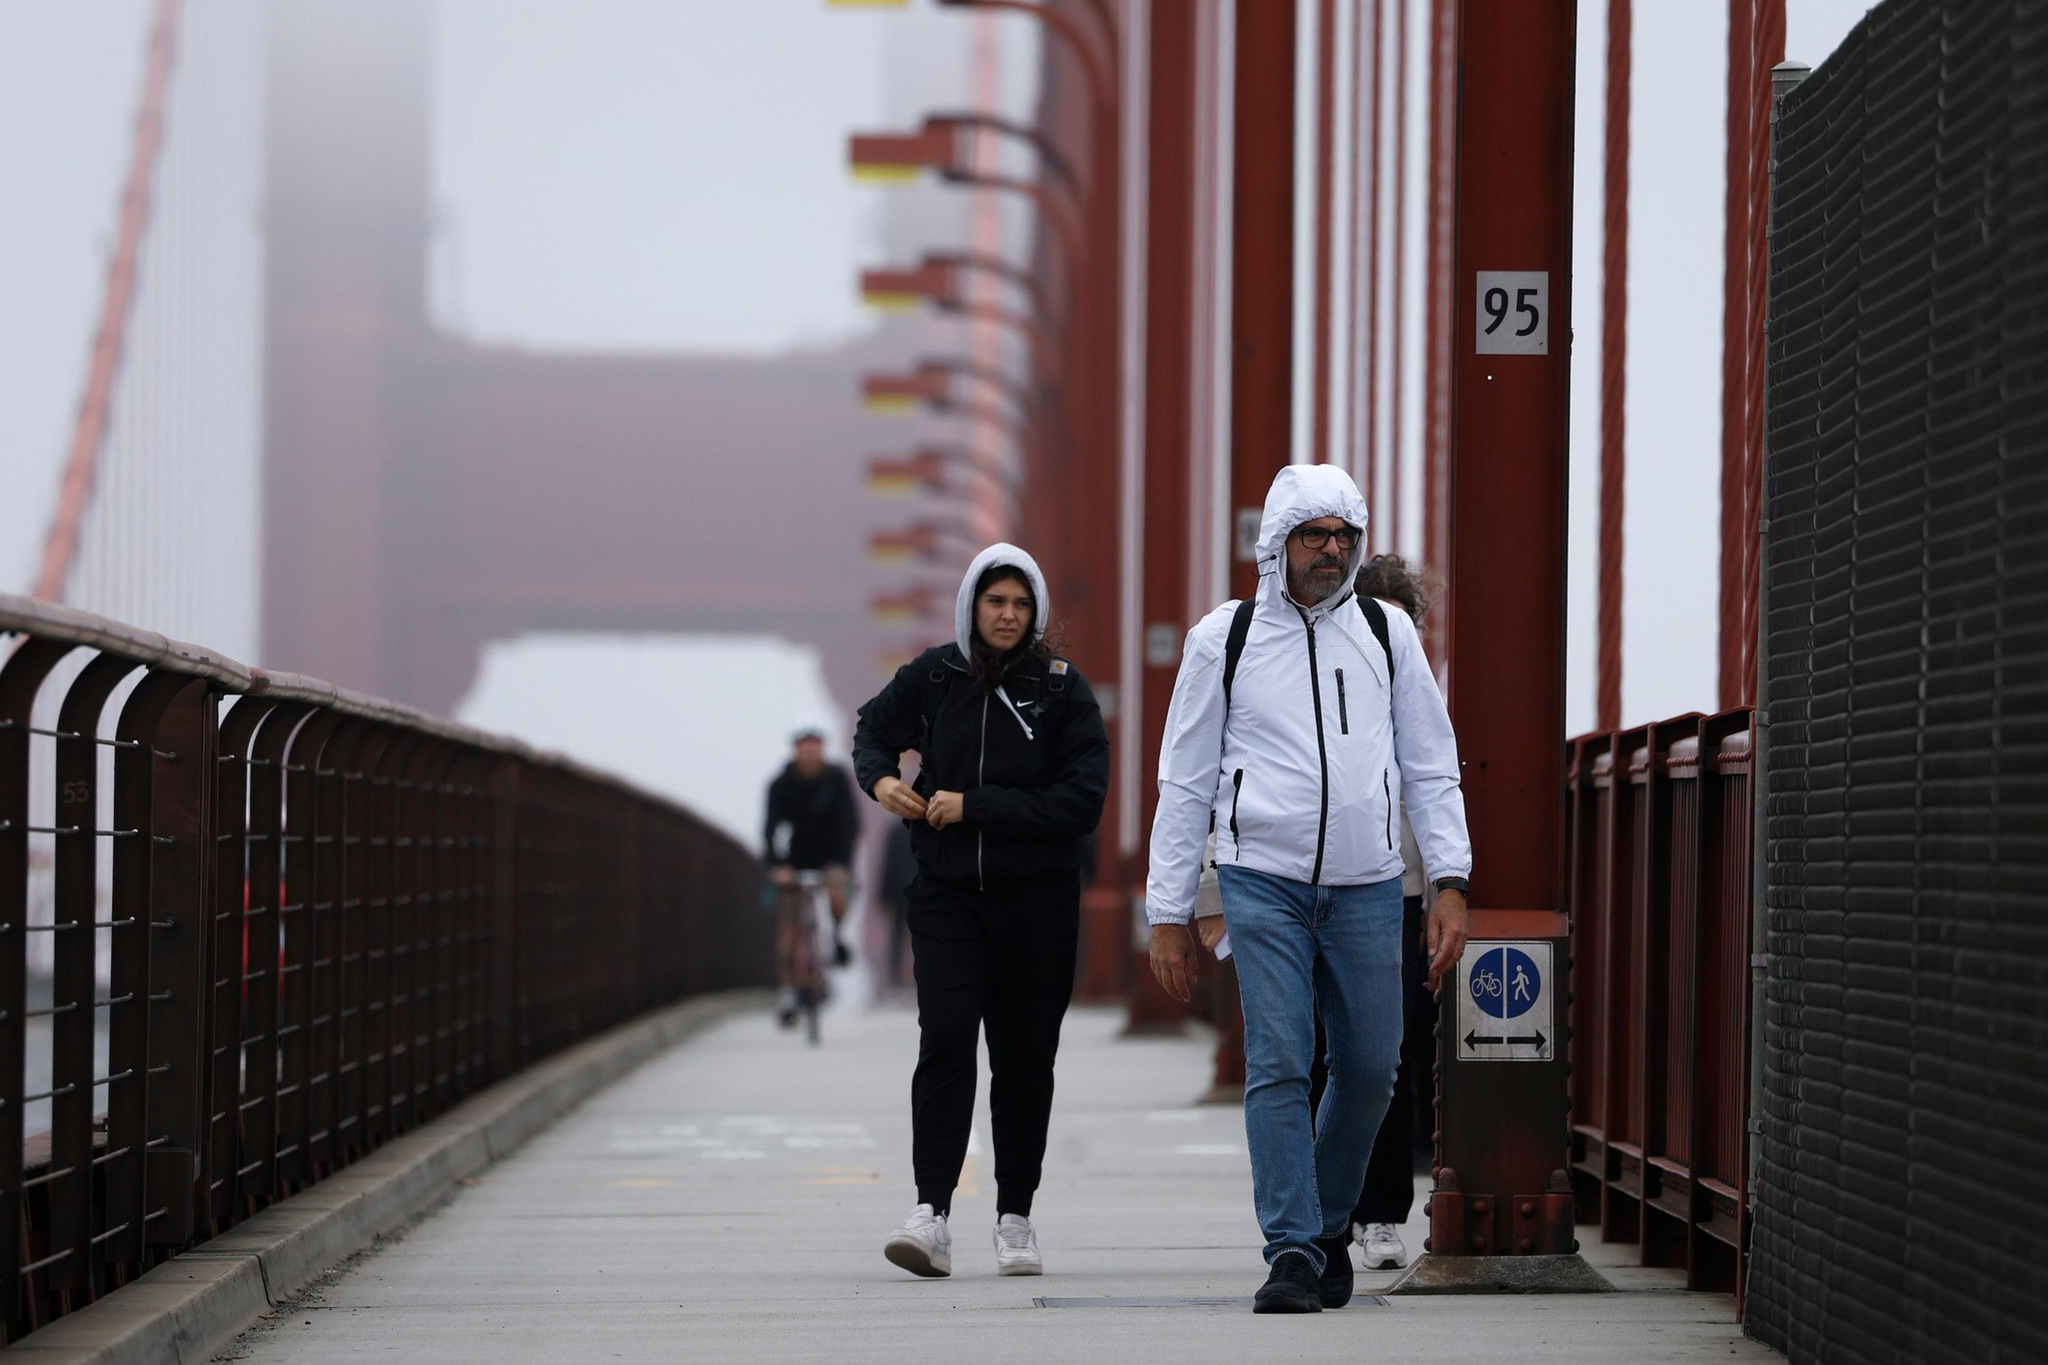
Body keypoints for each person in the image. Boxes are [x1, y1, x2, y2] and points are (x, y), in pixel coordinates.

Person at [1144, 465, 1472, 1314]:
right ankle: (1292, 1247)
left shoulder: (1387, 631)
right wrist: (1169, 909)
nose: (1330, 550)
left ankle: (1326, 1225)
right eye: (1312, 535)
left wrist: (1449, 876)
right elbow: (1185, 778)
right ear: (1277, 544)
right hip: (1262, 879)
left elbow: (1431, 760)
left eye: (1343, 536)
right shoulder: (1228, 637)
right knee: (1281, 1059)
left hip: (1369, 883)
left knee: (1371, 1067)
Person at [853, 544, 1108, 1280]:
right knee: (947, 1042)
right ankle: (930, 1212)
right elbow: (872, 729)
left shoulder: (1062, 692)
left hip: (1039, 902)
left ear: (1037, 616)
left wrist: (974, 806)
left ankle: (1014, 1215)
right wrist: (881, 781)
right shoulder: (933, 675)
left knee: (1026, 1059)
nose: (1007, 614)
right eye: (995, 601)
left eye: (1021, 604)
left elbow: (1080, 801)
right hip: (947, 898)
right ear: (972, 606)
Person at [763, 728, 858, 1027]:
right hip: (796, 860)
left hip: (830, 859)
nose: (809, 752)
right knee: (789, 927)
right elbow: (770, 828)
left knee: (837, 897)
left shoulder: (836, 779)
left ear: (822, 749)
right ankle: (789, 993)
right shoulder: (781, 784)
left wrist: (842, 863)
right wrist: (778, 865)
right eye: (803, 746)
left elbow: (850, 823)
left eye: (814, 746)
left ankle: (836, 937)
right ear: (795, 750)